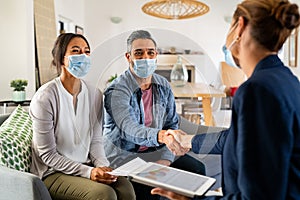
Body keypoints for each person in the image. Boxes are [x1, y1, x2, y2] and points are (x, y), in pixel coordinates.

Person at [151, 0, 300, 199]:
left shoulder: (256, 90)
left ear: (240, 26)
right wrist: (189, 140)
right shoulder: (288, 80)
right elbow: (235, 138)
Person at [29, 33, 135, 200]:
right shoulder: (45, 97)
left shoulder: (95, 94)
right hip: (52, 172)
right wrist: (89, 172)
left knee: (125, 188)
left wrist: (102, 167)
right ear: (61, 58)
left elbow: (96, 141)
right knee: (104, 194)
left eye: (86, 52)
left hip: (86, 165)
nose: (83, 56)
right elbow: (47, 155)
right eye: (76, 51)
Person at [103, 30, 206, 199]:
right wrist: (162, 136)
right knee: (150, 186)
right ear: (128, 57)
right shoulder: (116, 90)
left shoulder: (163, 84)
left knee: (197, 169)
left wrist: (165, 160)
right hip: (125, 157)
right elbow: (129, 129)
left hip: (155, 151)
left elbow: (172, 124)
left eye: (150, 53)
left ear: (156, 55)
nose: (145, 58)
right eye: (139, 53)